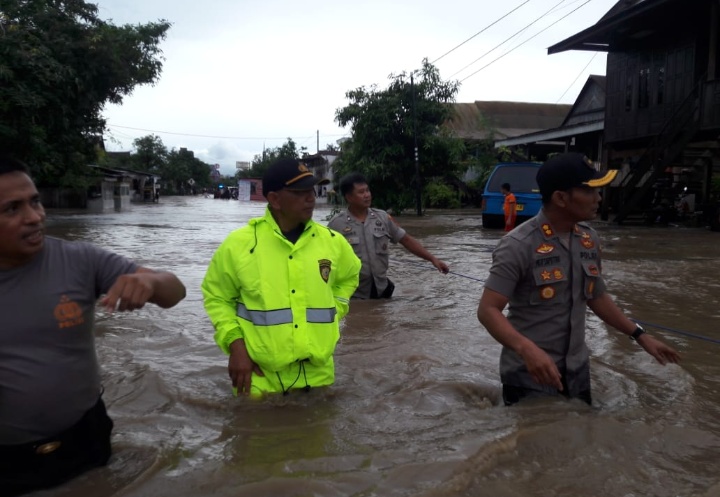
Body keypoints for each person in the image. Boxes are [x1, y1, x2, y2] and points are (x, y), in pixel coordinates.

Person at [0, 155, 187, 496]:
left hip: (87, 440)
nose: (35, 217)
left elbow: (175, 290)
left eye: (35, 202)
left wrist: (151, 284)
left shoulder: (80, 260)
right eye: (12, 209)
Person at [477, 153, 681, 406]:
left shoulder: (588, 239)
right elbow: (488, 310)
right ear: (561, 198)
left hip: (577, 370)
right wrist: (527, 349)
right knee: (535, 442)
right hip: (529, 374)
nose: (598, 198)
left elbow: (596, 295)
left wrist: (640, 336)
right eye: (589, 191)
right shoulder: (518, 245)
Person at [202, 158, 361, 397]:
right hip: (259, 379)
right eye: (300, 192)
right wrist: (237, 348)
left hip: (319, 376)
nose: (311, 198)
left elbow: (350, 276)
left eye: (312, 190)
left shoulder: (332, 242)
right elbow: (217, 298)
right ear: (275, 199)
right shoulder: (240, 245)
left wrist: (336, 307)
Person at [327, 172, 450, 299]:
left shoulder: (382, 218)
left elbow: (406, 240)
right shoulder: (336, 225)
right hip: (352, 296)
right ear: (349, 197)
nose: (367, 195)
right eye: (361, 192)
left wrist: (433, 259)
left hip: (382, 291)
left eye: (367, 190)